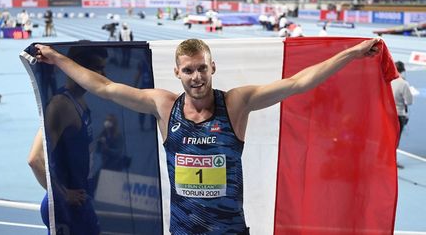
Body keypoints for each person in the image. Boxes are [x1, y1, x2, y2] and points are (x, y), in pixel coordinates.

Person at [34, 38, 380, 234]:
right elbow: (105, 86)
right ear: (177, 73)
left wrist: (351, 54)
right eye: (188, 70)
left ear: (212, 67)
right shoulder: (163, 106)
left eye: (202, 68)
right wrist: (57, 59)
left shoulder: (235, 103)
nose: (196, 76)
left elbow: (296, 83)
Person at [28, 45, 108, 234]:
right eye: (98, 67)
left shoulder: (79, 99)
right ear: (79, 69)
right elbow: (35, 159)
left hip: (80, 200)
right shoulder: (60, 105)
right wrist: (64, 195)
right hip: (67, 208)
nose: (104, 73)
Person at [391, 61, 413, 169]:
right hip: (398, 114)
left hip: (387, 113)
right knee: (395, 140)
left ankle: (382, 159)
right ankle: (392, 161)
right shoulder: (403, 83)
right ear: (403, 70)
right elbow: (409, 101)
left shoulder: (388, 79)